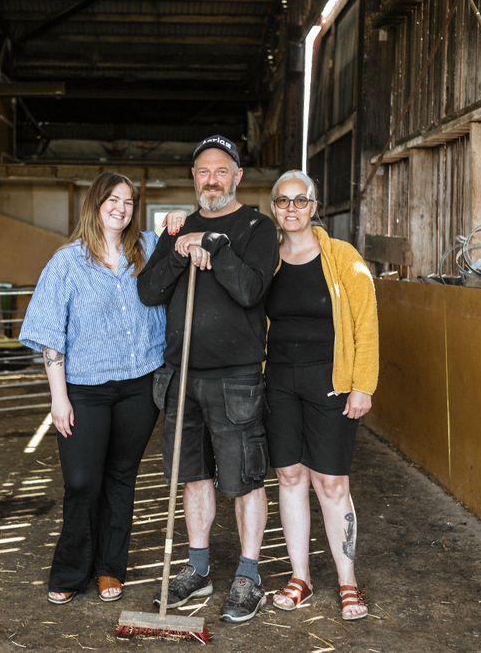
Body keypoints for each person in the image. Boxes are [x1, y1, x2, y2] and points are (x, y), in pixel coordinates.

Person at [137, 135, 279, 623]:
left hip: (236, 378)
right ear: (193, 178)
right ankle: (197, 569)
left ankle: (248, 575)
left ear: (237, 176)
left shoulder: (257, 227)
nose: (212, 180)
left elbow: (250, 290)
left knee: (243, 479)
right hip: (181, 376)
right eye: (203, 171)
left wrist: (214, 247)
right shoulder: (177, 229)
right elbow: (149, 291)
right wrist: (180, 252)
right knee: (192, 475)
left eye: (221, 171)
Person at [19, 171, 165, 606]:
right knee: (83, 481)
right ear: (96, 205)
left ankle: (109, 568)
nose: (121, 208)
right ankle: (70, 570)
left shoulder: (147, 250)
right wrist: (58, 397)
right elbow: (50, 334)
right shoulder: (67, 263)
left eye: (128, 201)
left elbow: (182, 242)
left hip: (139, 385)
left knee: (121, 478)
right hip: (85, 389)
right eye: (112, 200)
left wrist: (180, 222)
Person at [263, 170, 379, 621]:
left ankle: (347, 581)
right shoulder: (266, 259)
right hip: (279, 380)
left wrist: (363, 385)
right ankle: (301, 577)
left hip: (330, 379)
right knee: (289, 476)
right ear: (273, 208)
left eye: (300, 200)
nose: (291, 208)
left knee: (331, 483)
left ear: (314, 207)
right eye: (283, 200)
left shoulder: (342, 256)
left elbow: (366, 322)